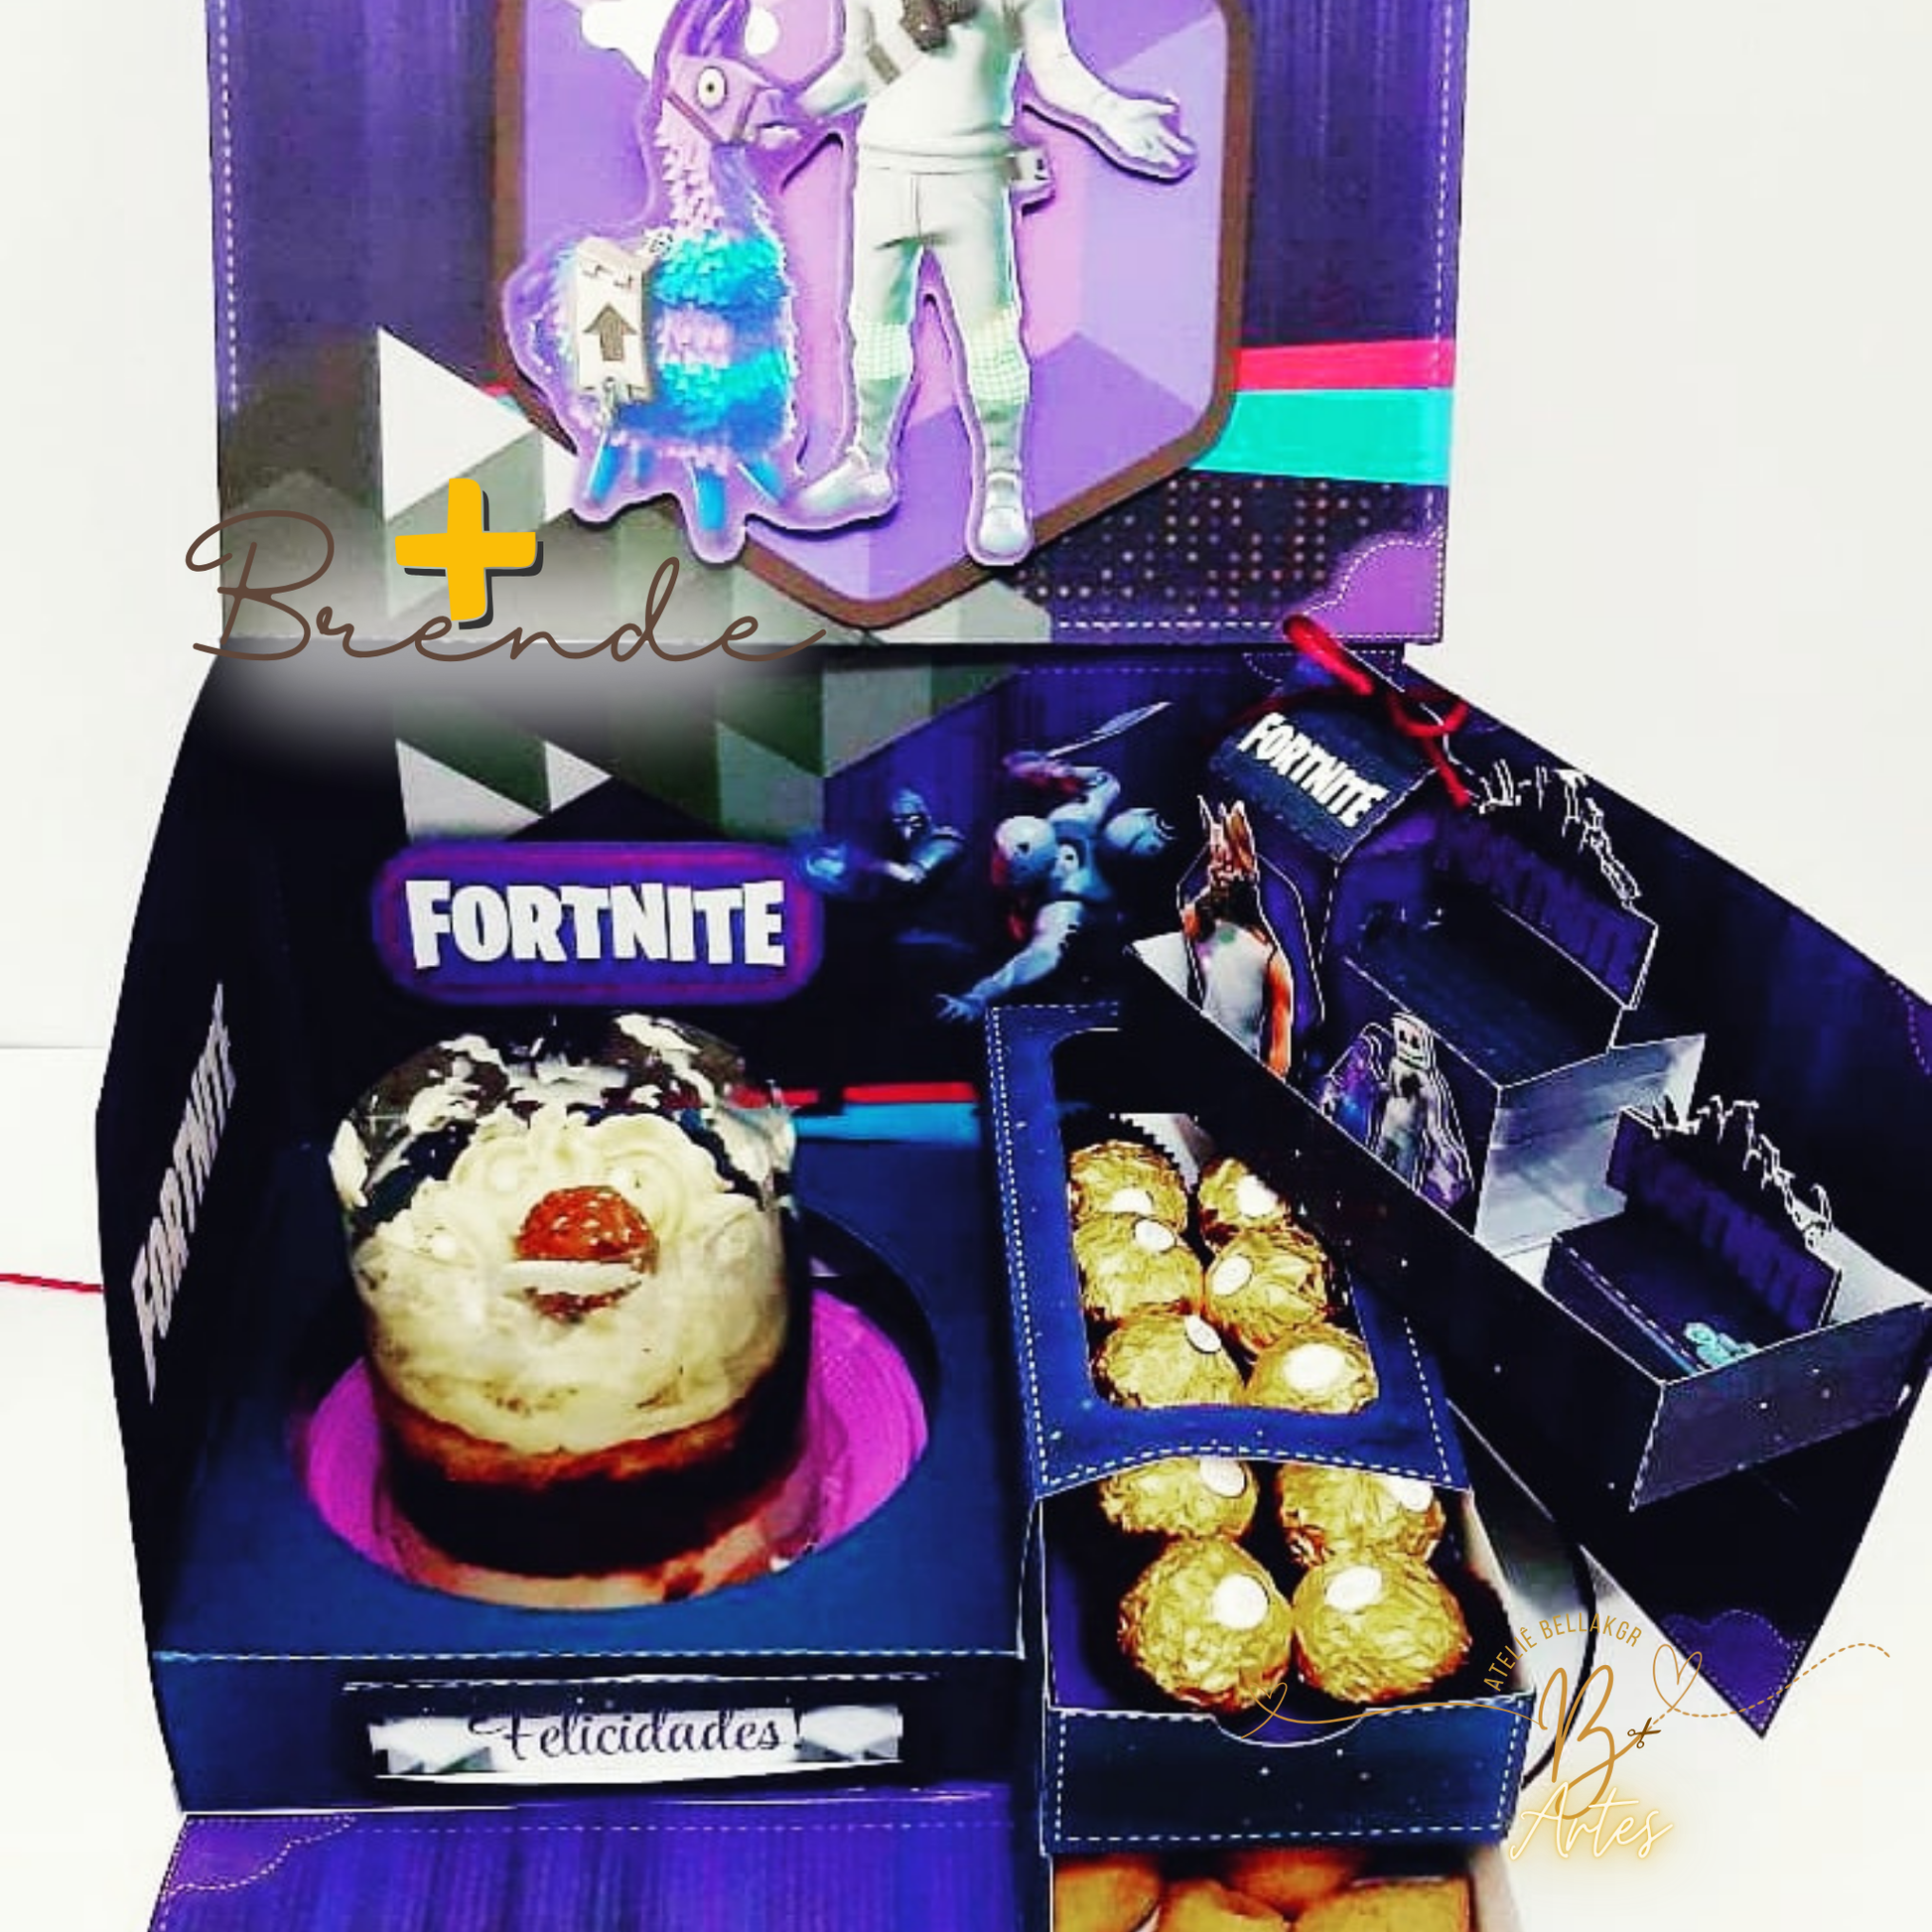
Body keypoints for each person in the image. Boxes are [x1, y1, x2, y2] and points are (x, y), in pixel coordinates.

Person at [795, 0, 1190, 564]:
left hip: (972, 178)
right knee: (873, 328)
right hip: (882, 173)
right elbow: (863, 67)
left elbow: (1055, 68)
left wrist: (1110, 111)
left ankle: (1003, 481)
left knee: (991, 340)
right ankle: (867, 460)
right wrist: (791, 113)